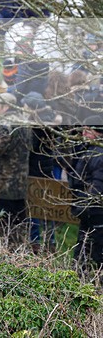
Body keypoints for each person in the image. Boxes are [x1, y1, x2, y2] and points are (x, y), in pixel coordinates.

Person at [0, 92, 32, 249]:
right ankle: (19, 251)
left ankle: (4, 253)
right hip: (21, 180)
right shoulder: (25, 121)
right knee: (19, 221)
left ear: (6, 106)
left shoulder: (5, 124)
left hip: (5, 182)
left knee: (3, 222)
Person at [70, 115, 103, 270]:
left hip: (93, 211)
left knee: (89, 252)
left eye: (87, 130)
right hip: (90, 210)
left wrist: (83, 207)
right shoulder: (89, 151)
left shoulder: (95, 155)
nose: (83, 133)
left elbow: (95, 186)